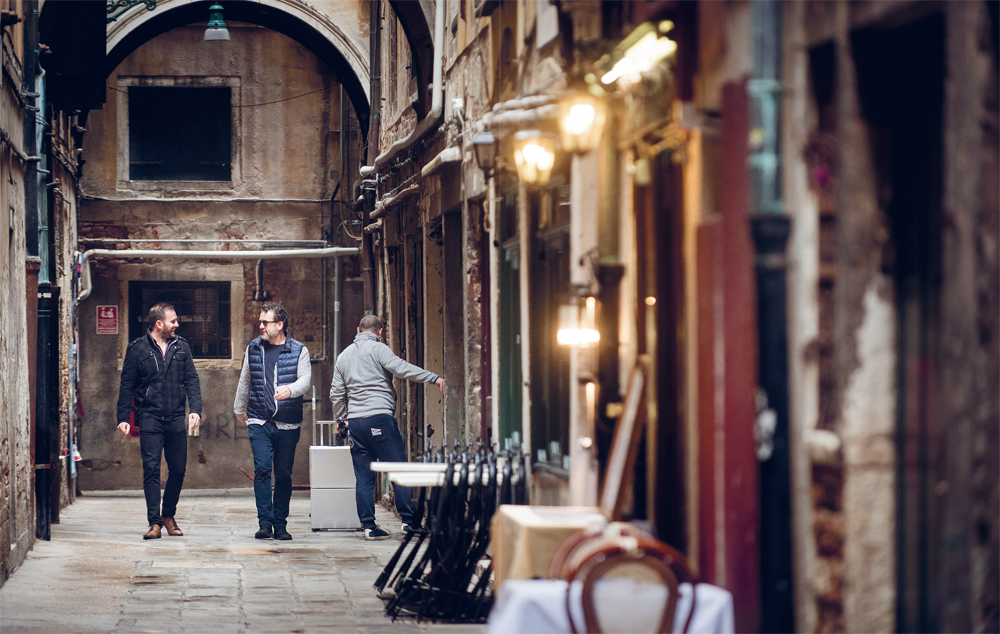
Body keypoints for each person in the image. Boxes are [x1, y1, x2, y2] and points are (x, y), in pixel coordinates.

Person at [330, 314, 445, 540]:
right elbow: (401, 369)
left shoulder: (343, 356)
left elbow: (336, 393)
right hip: (379, 419)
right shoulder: (379, 349)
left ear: (358, 330)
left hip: (356, 423)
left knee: (363, 477)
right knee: (399, 470)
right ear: (380, 332)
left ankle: (369, 527)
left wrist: (341, 418)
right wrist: (433, 378)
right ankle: (409, 523)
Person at [116, 302, 202, 540]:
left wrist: (195, 409)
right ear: (159, 323)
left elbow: (192, 380)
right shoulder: (137, 349)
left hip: (175, 417)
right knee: (151, 469)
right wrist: (123, 416)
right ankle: (154, 522)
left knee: (178, 469)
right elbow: (127, 385)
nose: (177, 324)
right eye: (173, 321)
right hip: (150, 417)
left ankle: (168, 515)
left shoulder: (182, 347)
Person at [233, 302, 311, 541]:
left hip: (288, 422)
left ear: (280, 324)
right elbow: (245, 379)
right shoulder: (254, 348)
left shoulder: (299, 350)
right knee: (263, 469)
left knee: (284, 474)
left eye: (265, 322)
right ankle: (265, 523)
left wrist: (290, 389)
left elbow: (305, 379)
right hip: (259, 419)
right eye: (260, 322)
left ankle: (280, 524)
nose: (261, 326)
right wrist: (238, 408)